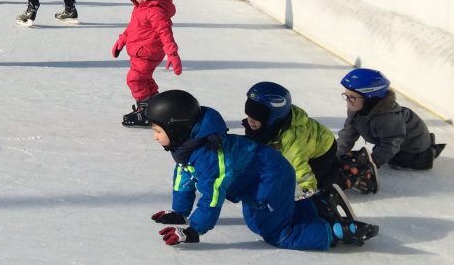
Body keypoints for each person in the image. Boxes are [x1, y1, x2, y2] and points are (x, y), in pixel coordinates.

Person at [144, 89, 379, 250]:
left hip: (269, 178)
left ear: (176, 128)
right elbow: (184, 175)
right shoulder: (189, 146)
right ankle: (316, 208)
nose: (155, 137)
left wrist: (194, 230)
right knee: (262, 218)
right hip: (258, 175)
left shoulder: (210, 156)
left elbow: (212, 196)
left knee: (274, 232)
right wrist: (179, 211)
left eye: (157, 130)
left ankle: (335, 232)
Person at [243, 81, 345, 197]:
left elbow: (299, 167)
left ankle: (341, 176)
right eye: (249, 114)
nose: (250, 120)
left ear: (273, 116)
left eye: (257, 116)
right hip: (306, 144)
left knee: (321, 182)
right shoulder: (259, 126)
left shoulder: (291, 139)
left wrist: (307, 190)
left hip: (323, 149)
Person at [337, 68, 446, 175]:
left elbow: (390, 144)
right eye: (346, 96)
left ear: (370, 99)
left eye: (352, 97)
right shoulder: (355, 110)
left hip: (413, 150)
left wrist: (370, 165)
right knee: (362, 157)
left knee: (395, 159)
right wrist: (334, 154)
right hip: (396, 144)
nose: (348, 101)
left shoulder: (387, 118)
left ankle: (429, 154)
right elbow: (347, 135)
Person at [111, 0, 181, 127]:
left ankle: (144, 112)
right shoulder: (140, 8)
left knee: (134, 80)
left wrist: (173, 54)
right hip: (140, 51)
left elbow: (165, 33)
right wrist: (122, 40)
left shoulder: (155, 11)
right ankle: (154, 105)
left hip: (148, 53)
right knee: (145, 80)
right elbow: (132, 27)